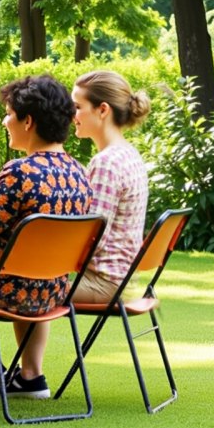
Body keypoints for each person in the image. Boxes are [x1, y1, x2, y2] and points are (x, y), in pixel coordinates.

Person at [0, 75, 91, 405]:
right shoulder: (79, 173)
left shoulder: (19, 172)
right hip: (49, 293)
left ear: (28, 121)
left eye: (9, 113)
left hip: (1, 289)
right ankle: (23, 375)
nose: (4, 120)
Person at [70, 70, 150, 306]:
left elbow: (93, 237)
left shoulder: (107, 163)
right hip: (122, 281)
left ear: (102, 110)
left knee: (19, 285)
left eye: (77, 106)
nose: (72, 114)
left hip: (102, 284)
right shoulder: (128, 154)